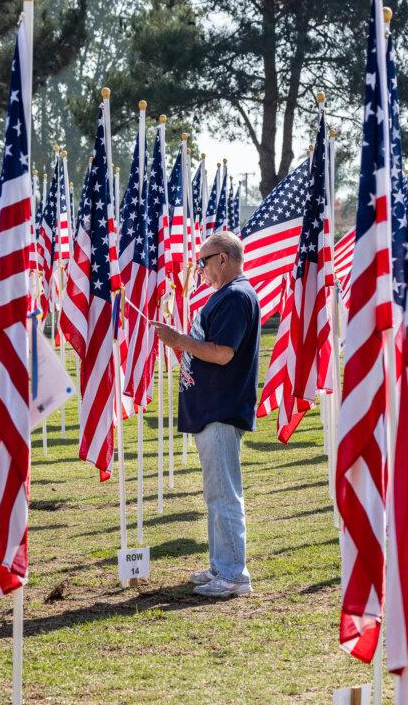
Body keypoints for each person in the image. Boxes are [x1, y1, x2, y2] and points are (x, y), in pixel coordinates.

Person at [154, 231, 260, 598]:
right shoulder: (225, 295)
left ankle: (234, 575)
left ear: (223, 259)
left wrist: (178, 340)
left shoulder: (236, 296)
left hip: (221, 408)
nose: (201, 269)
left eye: (204, 262)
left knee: (224, 495)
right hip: (211, 408)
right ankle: (221, 565)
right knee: (215, 493)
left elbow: (222, 353)